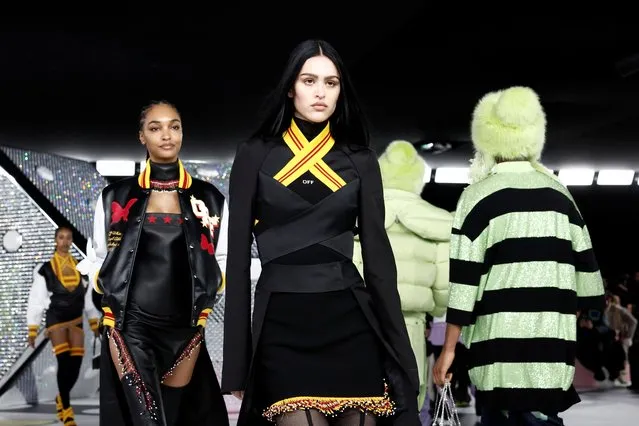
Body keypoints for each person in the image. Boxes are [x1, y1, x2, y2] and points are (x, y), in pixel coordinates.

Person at [221, 39, 420, 426]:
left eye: (331, 83)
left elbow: (379, 262)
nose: (320, 92)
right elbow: (238, 261)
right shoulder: (254, 154)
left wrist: (401, 352)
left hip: (350, 321)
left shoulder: (360, 160)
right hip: (281, 323)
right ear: (291, 87)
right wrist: (237, 363)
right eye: (309, 80)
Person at [433, 86, 605, 425]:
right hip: (552, 347)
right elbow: (589, 279)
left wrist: (449, 350)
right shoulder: (561, 197)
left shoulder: (477, 198)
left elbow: (465, 284)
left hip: (497, 346)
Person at [76, 100, 229, 426]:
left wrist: (204, 309)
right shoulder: (115, 197)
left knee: (172, 416)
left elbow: (221, 259)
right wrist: (109, 307)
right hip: (130, 327)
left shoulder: (210, 198)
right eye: (155, 127)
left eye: (174, 126)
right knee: (148, 419)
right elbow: (99, 257)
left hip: (185, 328)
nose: (166, 135)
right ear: (142, 136)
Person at [352, 140, 453, 412]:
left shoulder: (359, 220)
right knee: (409, 401)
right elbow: (444, 290)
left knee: (364, 404)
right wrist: (437, 308)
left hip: (365, 325)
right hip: (413, 326)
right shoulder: (439, 223)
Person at [26, 226, 100, 426]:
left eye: (68, 238)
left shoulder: (81, 268)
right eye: (61, 237)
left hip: (76, 319)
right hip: (56, 319)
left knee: (74, 366)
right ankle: (66, 409)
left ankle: (61, 397)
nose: (65, 241)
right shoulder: (45, 269)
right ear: (55, 240)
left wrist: (94, 322)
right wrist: (32, 328)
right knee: (64, 361)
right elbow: (36, 299)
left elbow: (89, 299)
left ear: (71, 241)